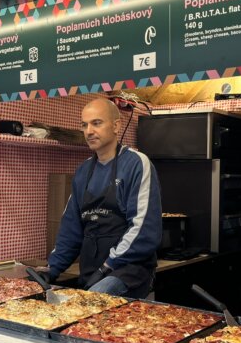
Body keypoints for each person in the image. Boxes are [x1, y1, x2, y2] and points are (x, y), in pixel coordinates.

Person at [36, 98, 162, 298]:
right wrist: (52, 268)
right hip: (92, 271)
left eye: (96, 123)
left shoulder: (137, 164)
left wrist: (107, 267)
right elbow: (71, 227)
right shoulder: (83, 171)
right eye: (84, 125)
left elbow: (144, 230)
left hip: (128, 271)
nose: (89, 131)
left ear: (116, 126)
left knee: (93, 303)